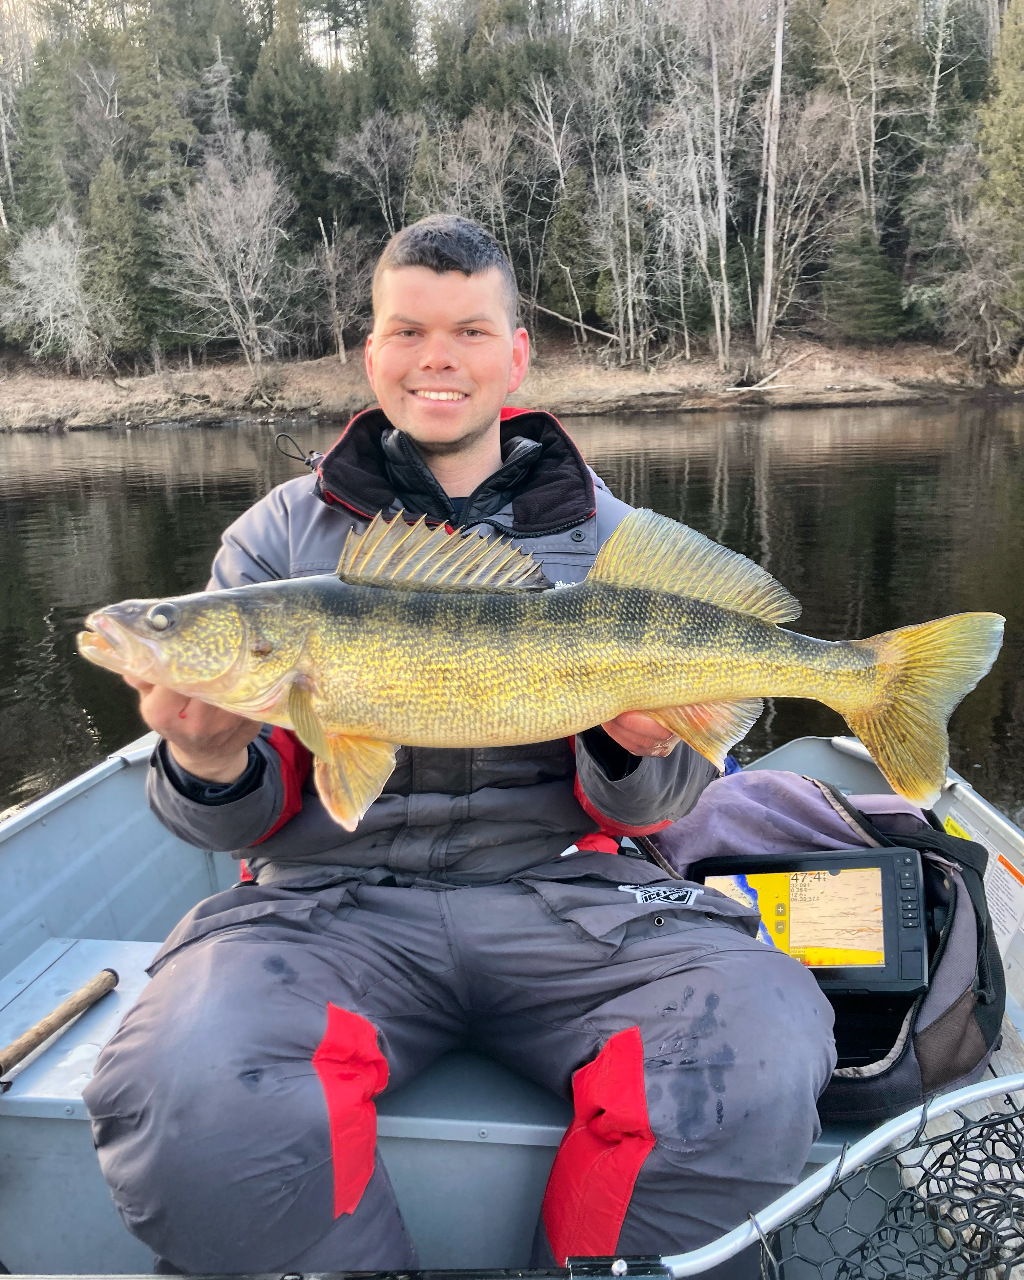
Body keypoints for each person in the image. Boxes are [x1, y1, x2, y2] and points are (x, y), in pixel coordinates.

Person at [84, 215, 836, 1277]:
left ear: (517, 353)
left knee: (755, 1042)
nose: (437, 358)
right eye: (408, 330)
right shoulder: (274, 545)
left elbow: (649, 809)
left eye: (470, 331)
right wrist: (206, 758)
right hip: (324, 907)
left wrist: (630, 749)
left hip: (570, 904)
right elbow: (246, 820)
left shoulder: (612, 545)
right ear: (371, 351)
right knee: (188, 1078)